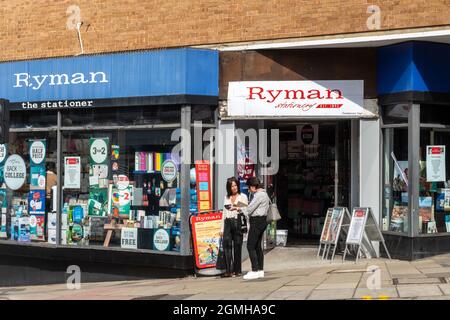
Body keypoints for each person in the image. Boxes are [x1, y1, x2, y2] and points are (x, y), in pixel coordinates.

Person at [240, 177, 270, 280]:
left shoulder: (259, 195)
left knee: (250, 245)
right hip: (262, 221)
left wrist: (239, 207)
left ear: (253, 186)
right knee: (257, 246)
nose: (248, 190)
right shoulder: (265, 194)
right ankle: (260, 270)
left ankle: (255, 270)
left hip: (257, 221)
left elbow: (248, 210)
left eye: (249, 188)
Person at [220, 177, 248, 277]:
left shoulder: (243, 196)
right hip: (228, 222)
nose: (234, 187)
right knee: (227, 246)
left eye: (235, 185)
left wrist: (236, 208)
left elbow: (246, 210)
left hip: (238, 222)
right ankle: (228, 270)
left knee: (237, 246)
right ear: (229, 187)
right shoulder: (226, 197)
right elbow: (224, 213)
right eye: (232, 186)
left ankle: (238, 270)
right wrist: (221, 229)